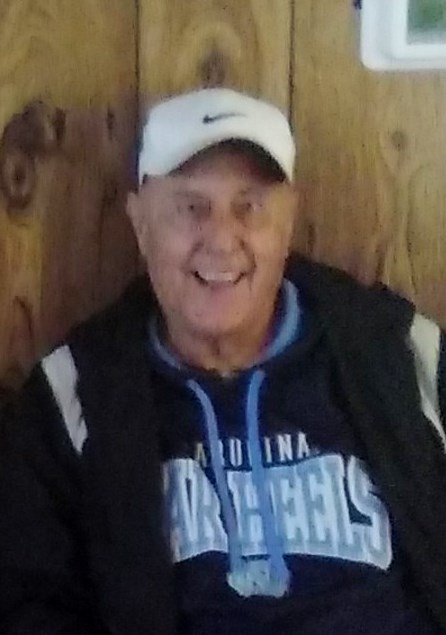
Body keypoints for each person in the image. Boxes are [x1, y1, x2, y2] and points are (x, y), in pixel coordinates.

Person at [0, 87, 445, 635]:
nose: (221, 239)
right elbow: (26, 600)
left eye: (249, 207)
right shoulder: (72, 396)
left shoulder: (402, 355)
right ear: (140, 223)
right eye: (191, 208)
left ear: (288, 219)